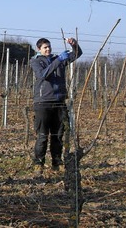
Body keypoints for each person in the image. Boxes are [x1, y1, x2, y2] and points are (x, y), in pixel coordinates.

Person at [30, 37, 82, 175]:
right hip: (43, 102)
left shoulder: (57, 59)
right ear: (39, 49)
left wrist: (74, 45)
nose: (48, 49)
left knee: (58, 134)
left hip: (59, 102)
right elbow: (42, 75)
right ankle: (38, 163)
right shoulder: (35, 61)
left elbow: (77, 54)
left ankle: (57, 162)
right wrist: (59, 60)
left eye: (49, 47)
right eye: (45, 47)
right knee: (42, 135)